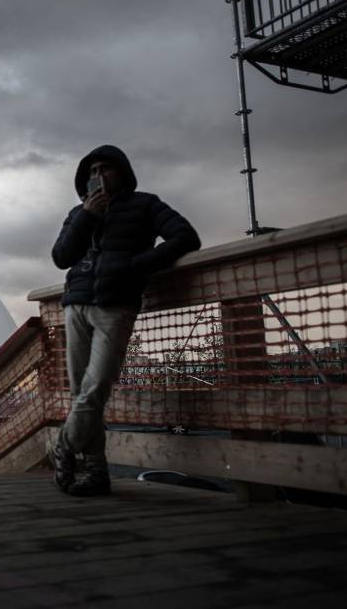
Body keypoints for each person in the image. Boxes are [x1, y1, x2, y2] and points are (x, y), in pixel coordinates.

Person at [50, 144, 200, 496]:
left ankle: (63, 447)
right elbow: (60, 257)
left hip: (116, 305)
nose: (98, 176)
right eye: (91, 171)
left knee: (95, 388)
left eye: (105, 168)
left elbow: (185, 237)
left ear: (123, 172)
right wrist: (87, 215)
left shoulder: (145, 204)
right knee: (80, 393)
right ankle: (95, 473)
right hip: (76, 305)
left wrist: (135, 267)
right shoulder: (76, 213)